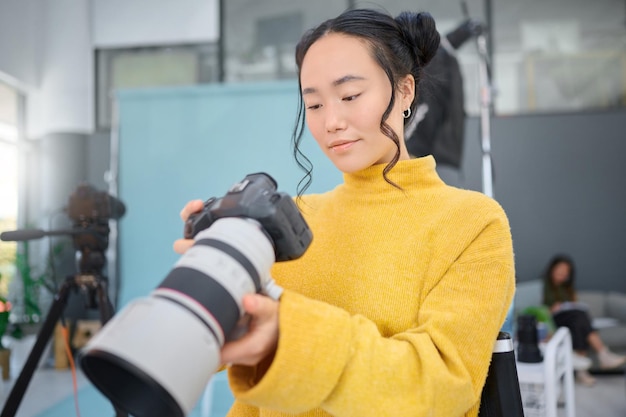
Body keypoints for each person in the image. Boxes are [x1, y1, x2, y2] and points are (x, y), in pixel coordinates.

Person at [175, 8, 515, 416]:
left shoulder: (473, 223)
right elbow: (244, 384)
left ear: (405, 91)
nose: (331, 121)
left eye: (350, 96)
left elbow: (442, 387)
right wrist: (215, 277)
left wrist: (290, 336)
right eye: (314, 105)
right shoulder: (289, 222)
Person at [542, 254, 626, 386]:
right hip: (554, 319)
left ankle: (584, 368)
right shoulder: (542, 287)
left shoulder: (568, 290)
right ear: (552, 269)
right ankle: (602, 355)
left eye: (566, 272)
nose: (562, 274)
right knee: (580, 317)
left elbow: (574, 305)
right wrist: (552, 309)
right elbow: (538, 311)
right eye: (560, 270)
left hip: (571, 320)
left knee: (579, 320)